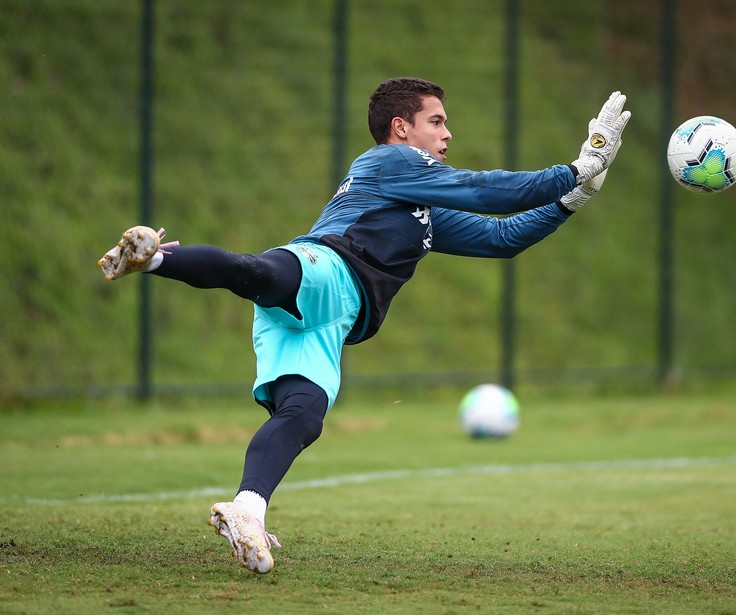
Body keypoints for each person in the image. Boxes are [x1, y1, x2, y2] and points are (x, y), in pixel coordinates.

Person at [98, 77, 630, 573]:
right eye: (436, 121)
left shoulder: (421, 206)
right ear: (401, 128)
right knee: (260, 272)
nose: (447, 133)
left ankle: (247, 511)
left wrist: (572, 199)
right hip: (327, 268)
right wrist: (578, 167)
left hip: (329, 323)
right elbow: (486, 192)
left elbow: (500, 238)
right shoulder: (389, 161)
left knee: (303, 415)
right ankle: (156, 258)